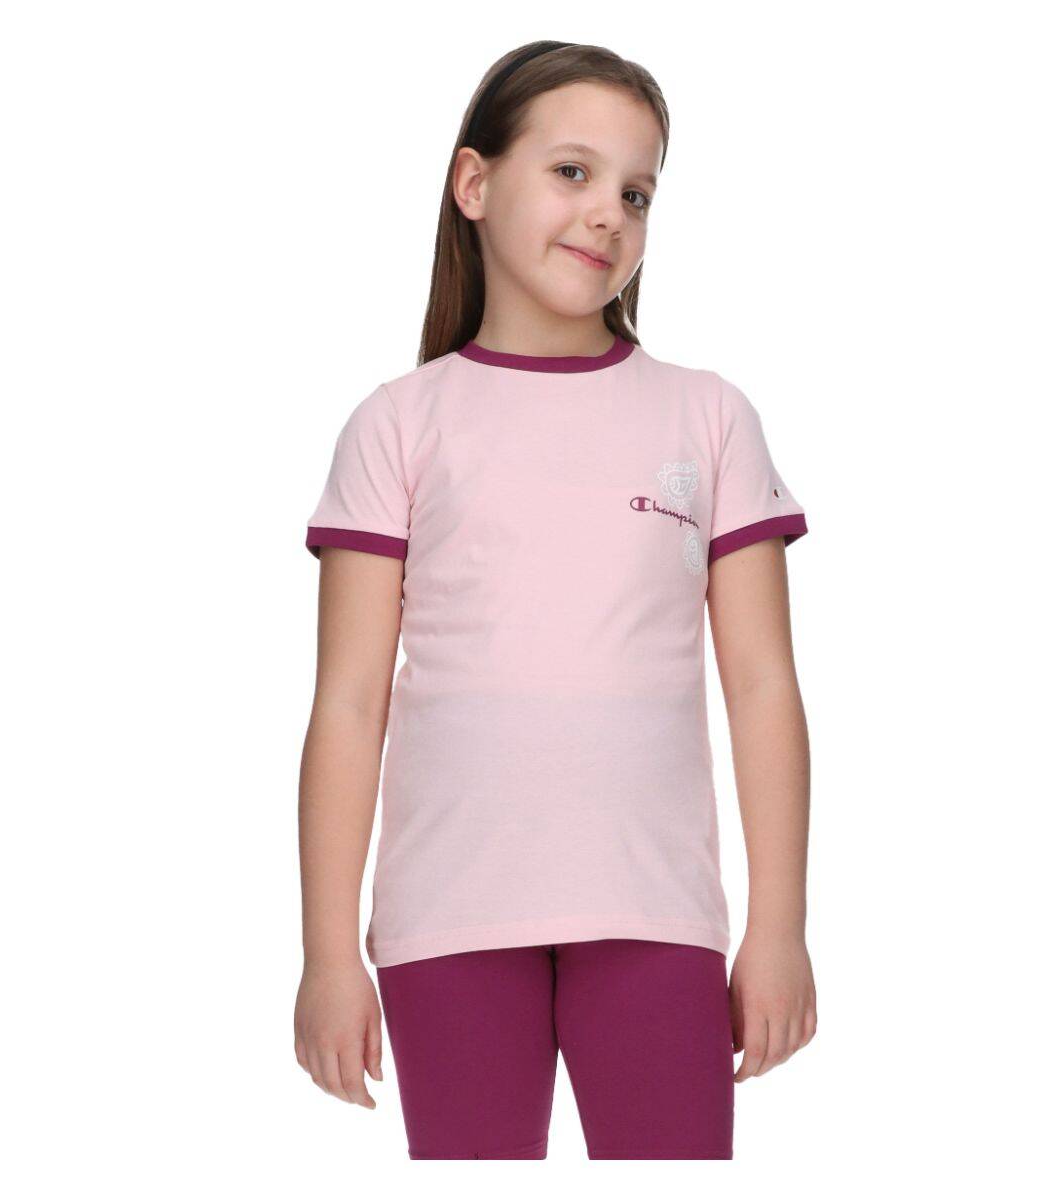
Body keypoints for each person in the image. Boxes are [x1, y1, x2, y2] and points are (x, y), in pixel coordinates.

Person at [293, 40, 817, 1161]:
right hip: (449, 918)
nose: (608, 214)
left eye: (637, 192)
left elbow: (764, 686)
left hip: (656, 911)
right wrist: (328, 954)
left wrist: (779, 928)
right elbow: (348, 703)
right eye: (573, 172)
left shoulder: (709, 416)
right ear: (474, 184)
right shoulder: (398, 426)